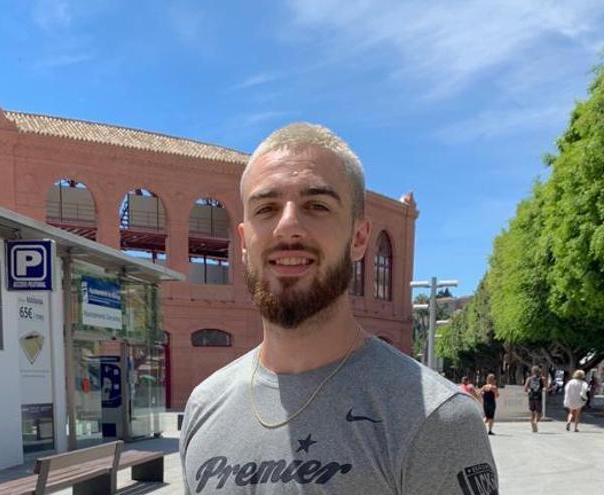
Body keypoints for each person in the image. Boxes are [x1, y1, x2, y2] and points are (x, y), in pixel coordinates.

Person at [179, 123, 498, 494]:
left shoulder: (435, 418)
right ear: (244, 241)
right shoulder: (204, 407)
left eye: (317, 205)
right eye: (266, 208)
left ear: (359, 237)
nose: (287, 226)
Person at [523, 366, 545, 432]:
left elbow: (525, 389)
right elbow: (545, 387)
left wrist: (529, 391)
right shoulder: (542, 378)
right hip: (538, 397)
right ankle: (535, 422)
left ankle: (533, 426)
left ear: (532, 371)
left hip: (531, 396)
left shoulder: (529, 379)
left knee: (532, 412)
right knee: (539, 413)